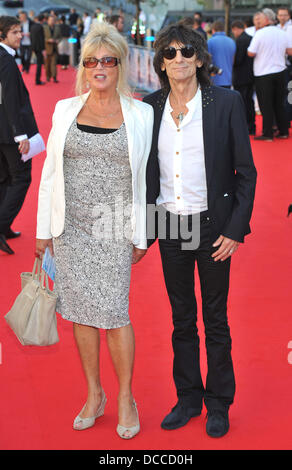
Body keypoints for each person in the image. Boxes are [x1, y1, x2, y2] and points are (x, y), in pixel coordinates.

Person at [35, 21, 153, 439]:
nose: (99, 67)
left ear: (121, 65)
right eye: (91, 61)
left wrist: (144, 232)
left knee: (115, 312)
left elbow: (149, 177)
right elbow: (50, 171)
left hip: (115, 225)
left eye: (108, 60)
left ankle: (125, 397)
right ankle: (93, 394)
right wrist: (42, 230)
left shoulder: (142, 114)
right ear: (82, 67)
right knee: (81, 312)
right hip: (72, 227)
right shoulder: (65, 109)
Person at [143, 23, 257, 438]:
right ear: (160, 61)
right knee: (181, 318)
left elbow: (246, 173)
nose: (178, 59)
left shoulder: (225, 103)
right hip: (170, 225)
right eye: (170, 53)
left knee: (215, 318)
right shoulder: (149, 106)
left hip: (212, 226)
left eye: (186, 52)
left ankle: (218, 403)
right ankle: (188, 397)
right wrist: (143, 230)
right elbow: (142, 174)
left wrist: (235, 229)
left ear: (201, 58)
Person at [0, 16, 39, 255]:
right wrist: (20, 135)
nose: (20, 35)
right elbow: (11, 100)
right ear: (2, 34)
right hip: (10, 132)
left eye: (20, 31)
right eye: (15, 32)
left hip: (2, 130)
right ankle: (1, 225)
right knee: (22, 178)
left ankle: (5, 227)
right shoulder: (5, 60)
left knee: (4, 179)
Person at [248, 8, 292, 140]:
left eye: (260, 18)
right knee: (280, 103)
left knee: (265, 104)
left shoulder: (260, 34)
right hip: (281, 71)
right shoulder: (282, 33)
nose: (258, 21)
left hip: (263, 73)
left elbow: (251, 52)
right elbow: (290, 51)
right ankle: (283, 131)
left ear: (266, 19)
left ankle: (268, 133)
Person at [231, 20, 256, 135]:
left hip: (241, 76)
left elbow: (238, 60)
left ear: (235, 29)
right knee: (249, 101)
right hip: (251, 75)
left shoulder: (240, 40)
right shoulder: (250, 38)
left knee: (242, 102)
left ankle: (246, 127)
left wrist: (232, 62)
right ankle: (252, 126)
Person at [207, 20, 236, 88]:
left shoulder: (210, 42)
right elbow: (233, 60)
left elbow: (207, 61)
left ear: (213, 30)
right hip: (228, 79)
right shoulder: (232, 41)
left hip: (214, 80)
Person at [43, 14, 61, 83]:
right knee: (47, 64)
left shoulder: (57, 28)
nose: (52, 21)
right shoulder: (44, 28)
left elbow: (60, 37)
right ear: (48, 21)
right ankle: (48, 76)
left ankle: (54, 77)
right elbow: (42, 37)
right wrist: (48, 40)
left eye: (53, 20)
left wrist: (58, 41)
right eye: (50, 20)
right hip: (47, 48)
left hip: (55, 48)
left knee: (54, 63)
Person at [30, 14, 46, 85]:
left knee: (38, 64)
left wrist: (32, 47)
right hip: (39, 48)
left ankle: (37, 79)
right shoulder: (40, 27)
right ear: (43, 20)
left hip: (34, 47)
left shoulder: (32, 27)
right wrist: (43, 49)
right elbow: (41, 39)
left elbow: (31, 38)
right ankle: (37, 80)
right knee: (39, 64)